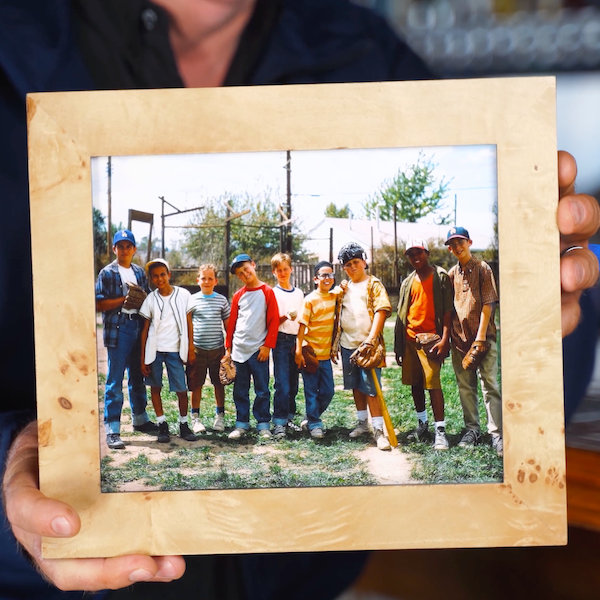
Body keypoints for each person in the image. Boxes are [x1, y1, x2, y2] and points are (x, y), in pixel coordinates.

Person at [1, 0, 599, 597]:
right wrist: (14, 485)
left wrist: (552, 312)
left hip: (300, 580)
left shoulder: (361, 50)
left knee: (293, 392)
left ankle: (389, 428)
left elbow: (563, 340)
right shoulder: (17, 54)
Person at [95, 229, 158, 450]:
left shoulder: (139, 272)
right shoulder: (107, 273)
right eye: (120, 246)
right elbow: (97, 304)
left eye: (128, 246)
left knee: (138, 375)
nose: (124, 250)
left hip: (137, 325)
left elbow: (148, 298)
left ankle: (140, 417)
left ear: (133, 249)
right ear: (114, 249)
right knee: (114, 379)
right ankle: (112, 428)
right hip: (118, 327)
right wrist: (124, 299)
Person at [445, 227, 503, 456]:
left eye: (461, 241)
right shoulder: (451, 274)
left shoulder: (482, 268)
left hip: (483, 338)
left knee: (490, 384)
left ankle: (496, 433)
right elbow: (451, 307)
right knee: (465, 386)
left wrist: (480, 336)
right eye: (453, 244)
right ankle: (472, 429)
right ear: (449, 249)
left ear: (469, 242)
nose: (458, 246)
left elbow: (489, 303)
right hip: (460, 339)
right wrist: (454, 335)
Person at [394, 238, 453, 450]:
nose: (415, 257)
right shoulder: (408, 282)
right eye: (410, 254)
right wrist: (400, 345)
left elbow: (447, 311)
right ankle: (422, 423)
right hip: (410, 339)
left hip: (432, 341)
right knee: (415, 384)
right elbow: (403, 313)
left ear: (427, 252)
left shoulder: (440, 276)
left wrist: (445, 339)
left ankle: (440, 431)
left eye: (418, 252)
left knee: (433, 383)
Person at [336, 242, 393, 451]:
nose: (352, 268)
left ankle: (378, 430)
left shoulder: (373, 284)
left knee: (371, 389)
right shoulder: (344, 288)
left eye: (356, 262)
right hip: (347, 345)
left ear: (364, 262)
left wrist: (371, 338)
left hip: (368, 346)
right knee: (356, 387)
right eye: (348, 264)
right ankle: (362, 423)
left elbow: (382, 310)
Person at [139, 258, 197, 443]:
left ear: (169, 274)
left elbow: (189, 324)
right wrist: (142, 359)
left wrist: (191, 348)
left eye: (163, 274)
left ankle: (183, 424)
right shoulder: (151, 299)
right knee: (155, 387)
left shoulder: (184, 295)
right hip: (155, 350)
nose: (160, 278)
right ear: (151, 279)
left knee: (181, 389)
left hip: (176, 350)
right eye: (155, 276)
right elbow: (145, 330)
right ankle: (162, 424)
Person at [225, 254, 279, 440]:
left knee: (262, 389)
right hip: (239, 350)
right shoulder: (238, 296)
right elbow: (232, 323)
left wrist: (267, 346)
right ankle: (241, 423)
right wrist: (228, 347)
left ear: (253, 265)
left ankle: (263, 423)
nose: (244, 274)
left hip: (258, 351)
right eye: (240, 273)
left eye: (246, 269)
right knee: (240, 389)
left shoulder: (267, 292)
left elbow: (273, 322)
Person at [295, 261, 339, 439]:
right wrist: (298, 351)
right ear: (315, 279)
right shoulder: (310, 300)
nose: (327, 278)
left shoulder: (335, 296)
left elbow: (343, 290)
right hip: (311, 356)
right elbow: (301, 328)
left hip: (326, 356)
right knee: (311, 391)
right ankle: (314, 424)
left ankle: (310, 417)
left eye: (330, 275)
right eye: (323, 275)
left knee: (328, 391)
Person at [187, 264, 231, 434]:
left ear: (216, 281)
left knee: (218, 384)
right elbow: (188, 325)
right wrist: (190, 348)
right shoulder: (191, 300)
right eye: (203, 278)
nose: (206, 281)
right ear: (198, 280)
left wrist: (228, 350)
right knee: (196, 384)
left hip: (217, 350)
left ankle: (219, 416)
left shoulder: (221, 300)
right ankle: (195, 418)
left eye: (210, 278)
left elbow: (228, 328)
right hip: (197, 349)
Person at [270, 253, 304, 438]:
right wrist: (285, 317)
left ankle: (289, 418)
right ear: (274, 272)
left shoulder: (299, 293)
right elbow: (271, 322)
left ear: (291, 269)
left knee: (293, 383)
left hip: (295, 340)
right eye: (279, 270)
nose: (283, 273)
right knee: (281, 383)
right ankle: (279, 422)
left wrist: (300, 345)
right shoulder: (273, 292)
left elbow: (302, 322)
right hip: (280, 340)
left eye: (285, 269)